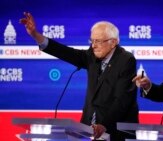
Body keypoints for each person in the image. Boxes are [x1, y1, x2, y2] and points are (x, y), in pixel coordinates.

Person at [20, 12, 139, 141]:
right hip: (88, 130)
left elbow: (122, 99)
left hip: (116, 130)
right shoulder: (92, 55)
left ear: (113, 42)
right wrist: (36, 35)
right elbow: (66, 52)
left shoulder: (126, 60)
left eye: (98, 41)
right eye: (92, 40)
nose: (93, 45)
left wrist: (104, 125)